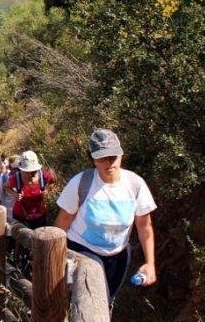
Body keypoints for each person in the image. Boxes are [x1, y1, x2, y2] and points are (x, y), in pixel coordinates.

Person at [55, 129, 157, 309]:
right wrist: (57, 256)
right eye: (102, 158)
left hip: (118, 255)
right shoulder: (81, 183)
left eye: (113, 156)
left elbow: (144, 226)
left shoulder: (135, 184)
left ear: (121, 154)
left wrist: (150, 263)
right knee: (89, 302)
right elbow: (63, 220)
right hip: (82, 248)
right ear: (93, 159)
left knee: (106, 302)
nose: (109, 163)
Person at [7, 150, 54, 229]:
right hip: (20, 216)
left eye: (33, 172)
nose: (30, 174)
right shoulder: (16, 178)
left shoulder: (43, 176)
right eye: (26, 171)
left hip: (39, 216)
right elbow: (5, 186)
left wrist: (47, 190)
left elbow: (52, 181)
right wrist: (14, 194)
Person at [0, 154, 21, 223]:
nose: (18, 171)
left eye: (20, 168)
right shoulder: (4, 179)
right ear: (10, 167)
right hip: (9, 219)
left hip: (23, 218)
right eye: (16, 168)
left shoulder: (25, 179)